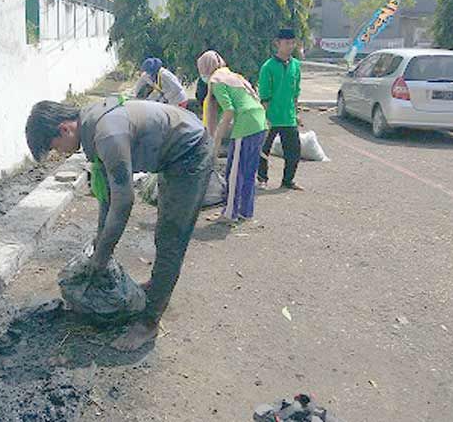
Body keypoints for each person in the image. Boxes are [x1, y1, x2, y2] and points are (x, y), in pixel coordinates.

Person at [25, 98, 212, 351]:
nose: (60, 153)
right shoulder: (91, 126)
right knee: (163, 232)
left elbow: (123, 202)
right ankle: (156, 288)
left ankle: (149, 322)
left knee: (171, 239)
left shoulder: (107, 135)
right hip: (172, 154)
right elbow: (108, 196)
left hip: (191, 153)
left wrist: (101, 256)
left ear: (64, 129)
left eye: (55, 147)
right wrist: (99, 244)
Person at [198, 50, 268, 222]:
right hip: (260, 122)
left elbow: (228, 111)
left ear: (205, 67)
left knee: (234, 172)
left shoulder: (216, 80)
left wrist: (216, 142)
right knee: (249, 171)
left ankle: (229, 214)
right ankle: (245, 212)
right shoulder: (232, 75)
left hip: (246, 124)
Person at [257, 28, 304, 191]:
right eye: (287, 43)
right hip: (271, 117)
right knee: (263, 150)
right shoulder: (268, 67)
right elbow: (264, 95)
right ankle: (262, 179)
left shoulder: (296, 65)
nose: (290, 46)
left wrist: (296, 113)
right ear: (278, 43)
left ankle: (287, 180)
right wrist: (265, 117)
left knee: (294, 151)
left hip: (288, 116)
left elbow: (296, 92)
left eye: (293, 43)